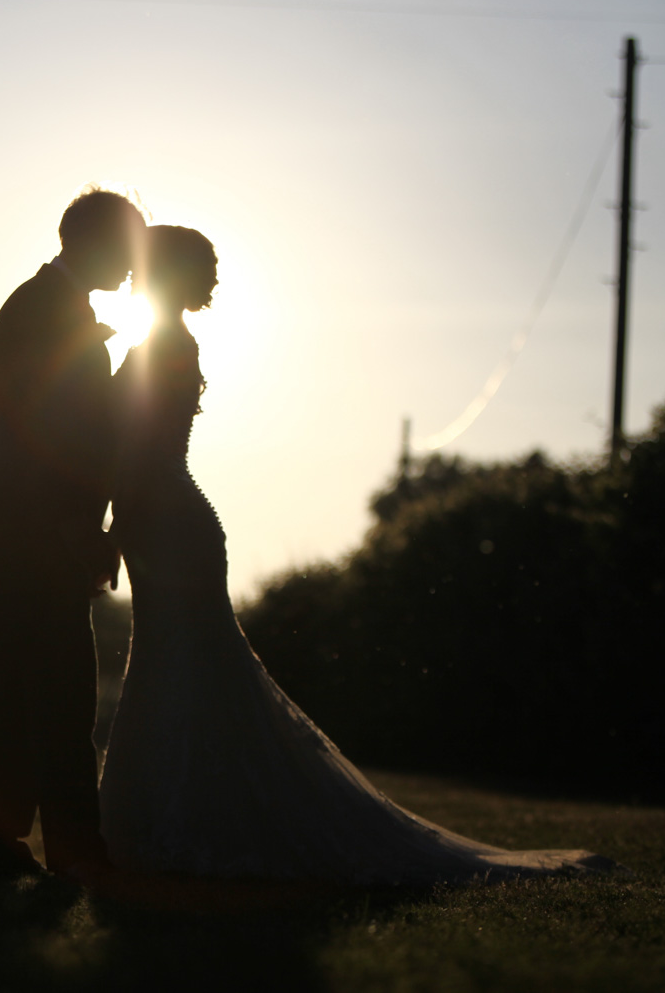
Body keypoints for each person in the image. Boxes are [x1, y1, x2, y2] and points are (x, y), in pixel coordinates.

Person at [98, 224, 613, 885]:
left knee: (180, 662)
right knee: (178, 662)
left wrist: (112, 519)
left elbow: (133, 448)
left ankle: (174, 820)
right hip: (165, 518)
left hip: (167, 520)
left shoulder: (161, 344)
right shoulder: (166, 341)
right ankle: (168, 815)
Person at [0, 187, 146, 881]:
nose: (132, 270)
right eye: (124, 253)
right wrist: (75, 527)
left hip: (38, 537)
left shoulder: (51, 306)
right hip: (41, 541)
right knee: (65, 701)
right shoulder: (42, 312)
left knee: (23, 704)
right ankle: (77, 854)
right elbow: (45, 431)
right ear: (91, 243)